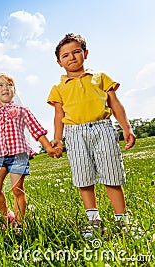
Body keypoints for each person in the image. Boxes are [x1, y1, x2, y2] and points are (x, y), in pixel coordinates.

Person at [47, 33, 136, 237]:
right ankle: (94, 221)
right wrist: (58, 139)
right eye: (66, 55)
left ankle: (122, 221)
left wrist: (126, 127)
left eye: (76, 52)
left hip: (102, 128)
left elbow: (115, 104)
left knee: (112, 175)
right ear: (59, 62)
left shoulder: (101, 77)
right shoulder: (58, 88)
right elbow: (58, 115)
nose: (72, 57)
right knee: (83, 177)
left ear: (85, 54)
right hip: (75, 133)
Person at [0, 73, 59, 228]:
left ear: (14, 90)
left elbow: (36, 130)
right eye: (0, 85)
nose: (5, 88)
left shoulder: (22, 110)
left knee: (17, 190)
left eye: (9, 85)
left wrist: (48, 147)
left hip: (18, 154)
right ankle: (8, 215)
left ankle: (19, 224)